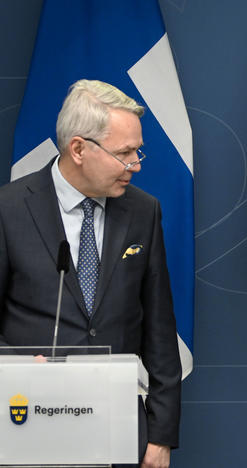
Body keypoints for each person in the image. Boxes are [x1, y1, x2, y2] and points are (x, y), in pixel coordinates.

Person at [0, 79, 181, 468]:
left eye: (138, 151)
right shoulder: (9, 210)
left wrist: (161, 435)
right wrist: (15, 366)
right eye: (124, 153)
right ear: (78, 149)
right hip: (28, 422)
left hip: (118, 431)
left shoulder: (143, 212)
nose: (135, 165)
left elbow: (160, 330)